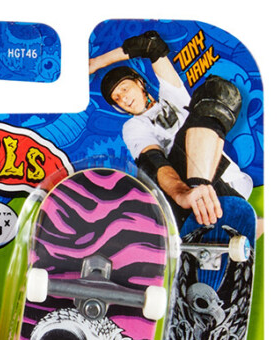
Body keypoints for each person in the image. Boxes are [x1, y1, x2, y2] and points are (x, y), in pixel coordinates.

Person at [90, 30, 253, 226]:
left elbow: (152, 45)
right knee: (159, 160)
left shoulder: (173, 96)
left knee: (219, 90)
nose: (123, 98)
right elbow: (153, 161)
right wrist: (181, 193)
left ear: (140, 83)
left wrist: (96, 63)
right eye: (117, 98)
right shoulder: (133, 126)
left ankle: (207, 194)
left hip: (232, 184)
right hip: (184, 190)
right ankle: (198, 192)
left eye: (125, 88)